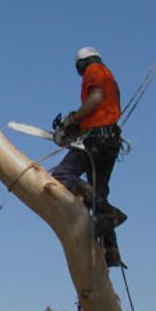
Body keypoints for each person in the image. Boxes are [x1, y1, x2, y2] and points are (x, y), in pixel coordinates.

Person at [49, 46, 127, 267]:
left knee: (62, 174)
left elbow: (94, 99)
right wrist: (71, 132)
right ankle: (111, 250)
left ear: (82, 63)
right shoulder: (109, 77)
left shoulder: (95, 70)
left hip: (97, 140)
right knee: (99, 190)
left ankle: (106, 211)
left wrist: (71, 119)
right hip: (110, 141)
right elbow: (98, 111)